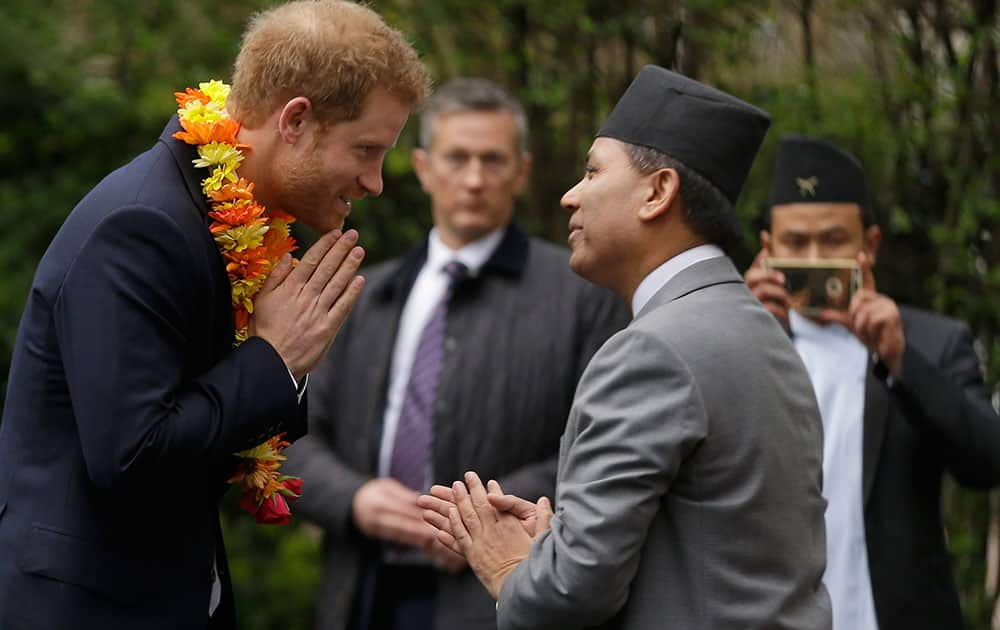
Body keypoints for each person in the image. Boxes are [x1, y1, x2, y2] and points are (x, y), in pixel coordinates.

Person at [0, 2, 430, 628]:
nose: (376, 181)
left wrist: (281, 363)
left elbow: (206, 433)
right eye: (366, 149)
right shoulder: (144, 225)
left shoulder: (233, 224)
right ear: (296, 120)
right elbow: (133, 458)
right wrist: (275, 360)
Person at [419, 65, 832, 629]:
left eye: (592, 172)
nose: (570, 197)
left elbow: (571, 592)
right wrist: (556, 546)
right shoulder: (760, 331)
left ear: (658, 192)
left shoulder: (652, 351)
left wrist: (512, 566)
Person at [283, 77, 628, 630]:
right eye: (457, 158)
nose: (473, 179)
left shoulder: (581, 297)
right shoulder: (361, 292)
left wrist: (475, 519)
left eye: (492, 161)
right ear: (423, 167)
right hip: (360, 591)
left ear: (522, 171)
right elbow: (291, 435)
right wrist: (354, 499)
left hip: (495, 594)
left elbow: (602, 447)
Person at [744, 134, 1000, 630]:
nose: (815, 258)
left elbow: (987, 460)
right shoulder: (740, 341)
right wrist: (744, 329)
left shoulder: (930, 342)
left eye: (834, 240)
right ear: (768, 249)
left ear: (871, 244)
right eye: (796, 243)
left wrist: (900, 359)